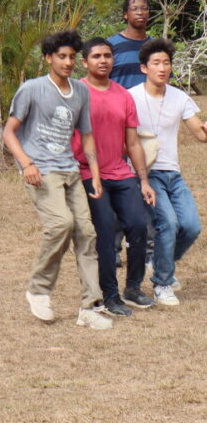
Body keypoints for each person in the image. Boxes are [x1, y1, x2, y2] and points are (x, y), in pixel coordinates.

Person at [2, 30, 111, 330]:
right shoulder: (32, 89)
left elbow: (86, 136)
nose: (67, 62)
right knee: (61, 224)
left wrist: (96, 175)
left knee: (87, 235)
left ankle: (90, 306)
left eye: (72, 57)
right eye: (61, 56)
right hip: (41, 171)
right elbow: (8, 132)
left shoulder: (80, 91)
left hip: (71, 170)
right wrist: (26, 164)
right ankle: (38, 289)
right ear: (48, 58)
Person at [70, 38, 157, 316]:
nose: (103, 60)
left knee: (139, 225)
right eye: (96, 56)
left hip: (121, 173)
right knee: (106, 233)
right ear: (85, 62)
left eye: (107, 55)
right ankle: (109, 295)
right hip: (88, 174)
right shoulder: (76, 93)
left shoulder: (123, 95)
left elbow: (133, 143)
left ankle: (133, 288)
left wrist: (143, 180)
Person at [129, 38, 207, 306]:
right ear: (144, 68)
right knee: (168, 224)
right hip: (147, 173)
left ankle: (161, 262)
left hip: (173, 173)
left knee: (191, 226)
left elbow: (199, 133)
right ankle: (163, 284)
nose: (162, 68)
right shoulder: (131, 97)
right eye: (156, 63)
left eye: (166, 63)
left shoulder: (179, 96)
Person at [108, 0, 152, 90]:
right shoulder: (110, 46)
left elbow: (165, 82)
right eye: (134, 9)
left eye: (144, 8)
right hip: (119, 104)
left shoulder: (157, 47)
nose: (140, 12)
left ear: (148, 14)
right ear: (125, 14)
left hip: (150, 104)